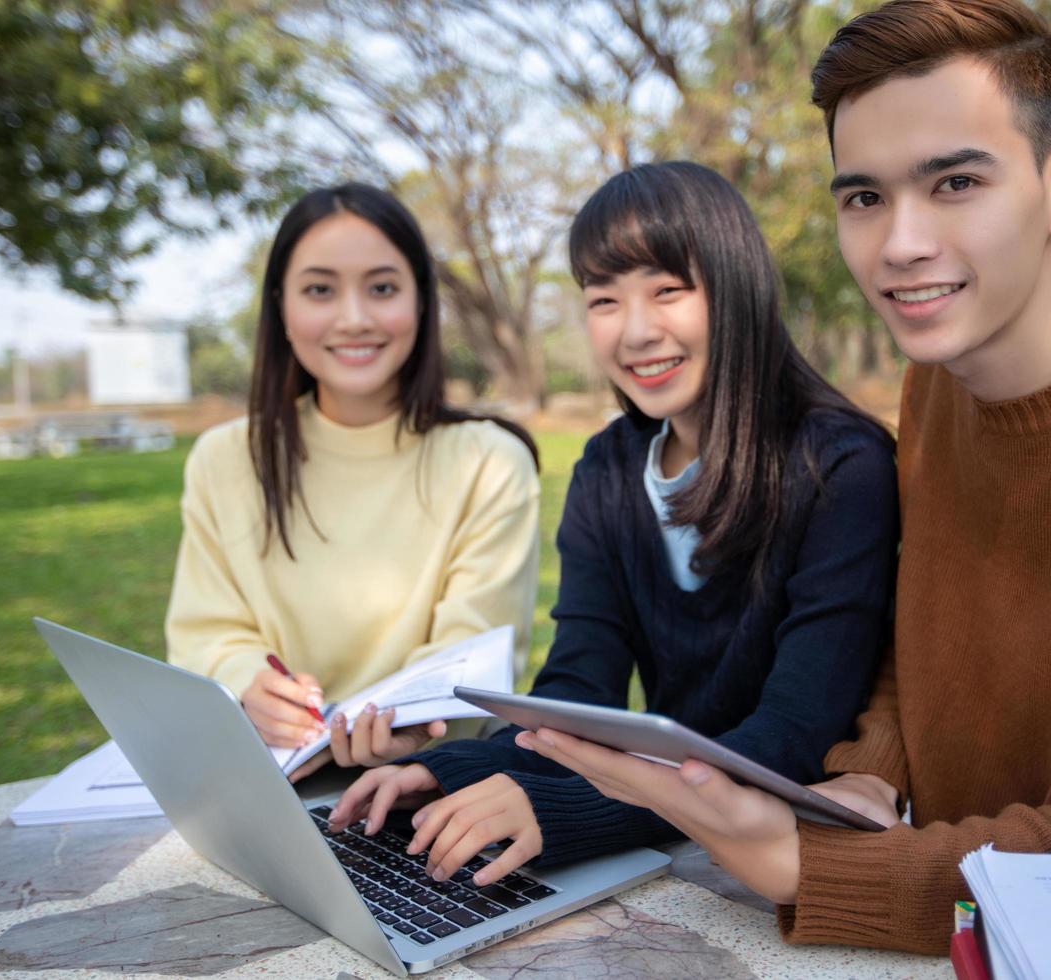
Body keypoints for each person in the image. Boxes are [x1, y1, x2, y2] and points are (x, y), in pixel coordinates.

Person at [519, 0, 1051, 956]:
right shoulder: (941, 382)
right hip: (958, 929)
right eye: (864, 197)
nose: (900, 243)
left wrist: (797, 860)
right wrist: (872, 770)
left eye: (954, 182)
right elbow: (922, 633)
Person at [325, 161, 901, 890]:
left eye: (668, 291)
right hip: (673, 836)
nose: (635, 332)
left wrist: (566, 807)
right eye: (603, 300)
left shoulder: (842, 467)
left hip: (798, 856)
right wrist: (439, 769)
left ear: (739, 289)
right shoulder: (606, 468)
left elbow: (791, 736)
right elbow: (581, 688)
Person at [166, 183, 541, 772]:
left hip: (436, 787)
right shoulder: (224, 457)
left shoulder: (489, 461)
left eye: (383, 288)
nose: (354, 318)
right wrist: (247, 683)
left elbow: (472, 653)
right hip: (265, 781)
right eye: (320, 289)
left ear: (421, 302)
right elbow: (204, 631)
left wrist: (407, 725)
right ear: (280, 308)